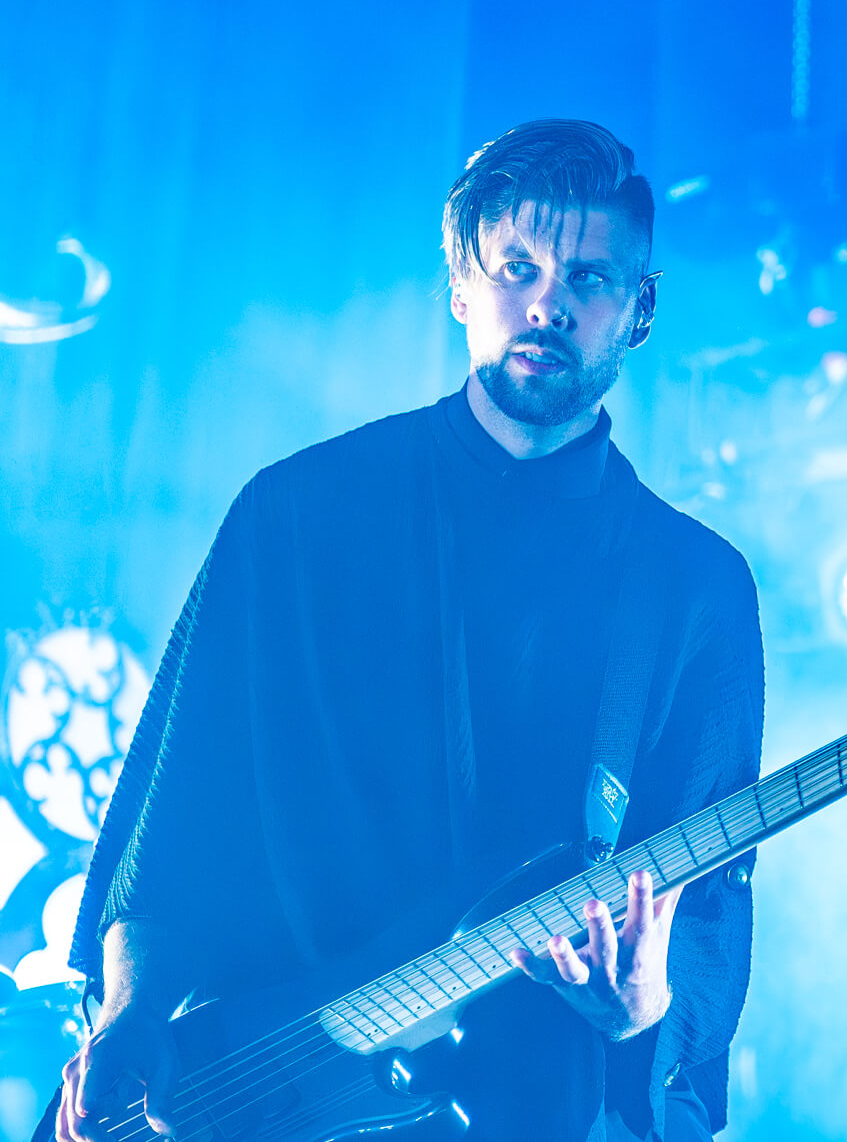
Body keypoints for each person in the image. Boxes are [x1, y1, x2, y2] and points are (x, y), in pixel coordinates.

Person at [54, 120, 764, 1142]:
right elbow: (177, 820)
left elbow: (706, 912)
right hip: (268, 1089)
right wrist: (127, 1011)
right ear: (460, 290)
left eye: (591, 278)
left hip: (526, 1106)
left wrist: (644, 1010)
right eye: (516, 266)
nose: (549, 302)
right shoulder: (294, 514)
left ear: (637, 313)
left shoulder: (693, 587)